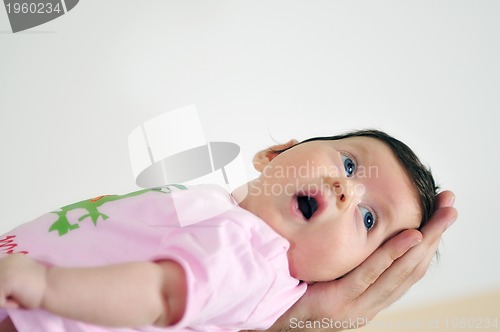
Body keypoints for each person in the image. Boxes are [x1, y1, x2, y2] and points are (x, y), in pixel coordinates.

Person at [0, 129, 457, 331]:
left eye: (369, 218)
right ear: (276, 152)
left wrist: (42, 284)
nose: (345, 190)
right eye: (350, 163)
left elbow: (162, 293)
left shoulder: (253, 259)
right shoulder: (230, 217)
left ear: (345, 273)